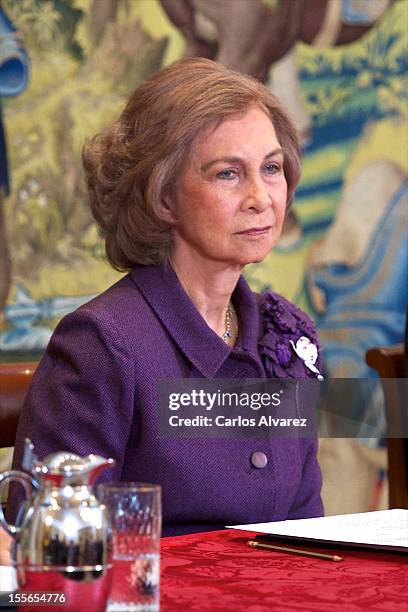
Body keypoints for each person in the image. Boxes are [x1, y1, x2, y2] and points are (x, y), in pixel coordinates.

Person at [9, 58, 324, 536]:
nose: (262, 197)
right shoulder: (102, 344)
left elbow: (308, 530)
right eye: (228, 174)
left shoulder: (286, 335)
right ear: (163, 197)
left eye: (272, 168)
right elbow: (54, 553)